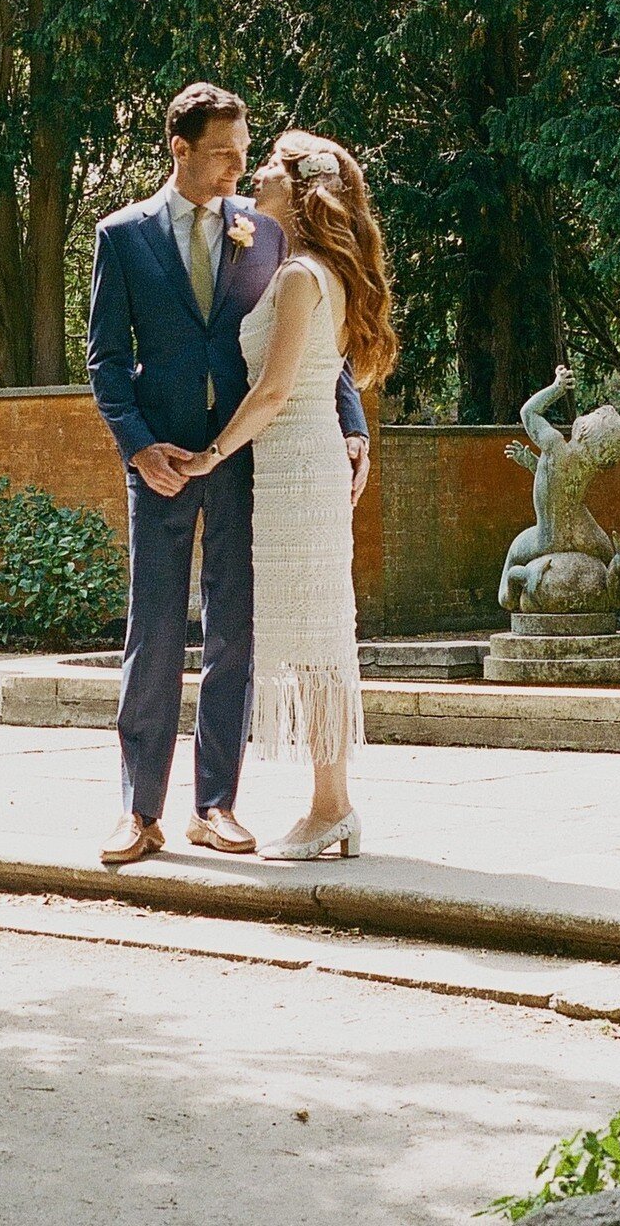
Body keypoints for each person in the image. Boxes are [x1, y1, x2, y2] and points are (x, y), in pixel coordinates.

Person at [87, 88, 370, 868]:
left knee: (234, 635)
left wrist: (352, 423)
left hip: (247, 458)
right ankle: (139, 813)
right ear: (179, 149)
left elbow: (313, 341)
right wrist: (141, 448)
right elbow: (107, 362)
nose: (238, 170)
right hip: (165, 464)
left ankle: (216, 806)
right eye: (224, 155)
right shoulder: (123, 236)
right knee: (152, 634)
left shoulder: (265, 230)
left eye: (247, 155)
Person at [175, 130, 397, 859]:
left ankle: (331, 806)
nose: (255, 176)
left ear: (301, 191)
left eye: (269, 167)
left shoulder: (303, 275)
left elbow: (273, 390)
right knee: (316, 641)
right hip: (295, 465)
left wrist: (211, 453)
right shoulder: (312, 267)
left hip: (298, 462)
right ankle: (334, 806)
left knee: (319, 642)